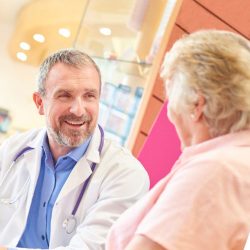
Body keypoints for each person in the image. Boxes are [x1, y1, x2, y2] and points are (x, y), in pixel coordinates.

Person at [106, 30, 250, 250]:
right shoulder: (238, 162)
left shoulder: (214, 171)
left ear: (196, 105)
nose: (170, 112)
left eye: (170, 97)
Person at [0, 49, 150, 250]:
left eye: (89, 96)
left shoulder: (126, 175)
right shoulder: (12, 151)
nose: (78, 110)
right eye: (65, 95)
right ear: (40, 103)